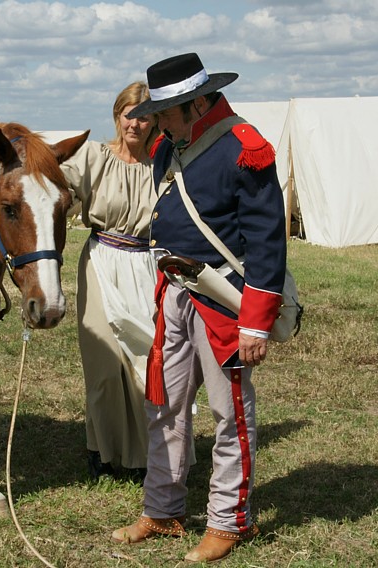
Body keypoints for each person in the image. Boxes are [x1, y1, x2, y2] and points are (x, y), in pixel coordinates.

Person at [110, 53, 287, 563]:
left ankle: (229, 521)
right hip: (175, 293)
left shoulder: (243, 148)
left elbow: (267, 243)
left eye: (164, 110)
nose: (154, 121)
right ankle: (163, 510)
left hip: (222, 302)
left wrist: (255, 323)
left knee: (227, 412)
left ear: (198, 104)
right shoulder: (170, 146)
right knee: (164, 406)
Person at [61, 82, 160, 481]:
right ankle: (101, 451)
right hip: (101, 260)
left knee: (144, 360)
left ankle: (143, 456)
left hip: (147, 264)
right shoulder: (93, 158)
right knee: (103, 364)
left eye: (144, 115)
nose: (135, 123)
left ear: (155, 121)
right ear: (117, 116)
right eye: (128, 114)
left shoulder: (164, 164)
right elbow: (54, 187)